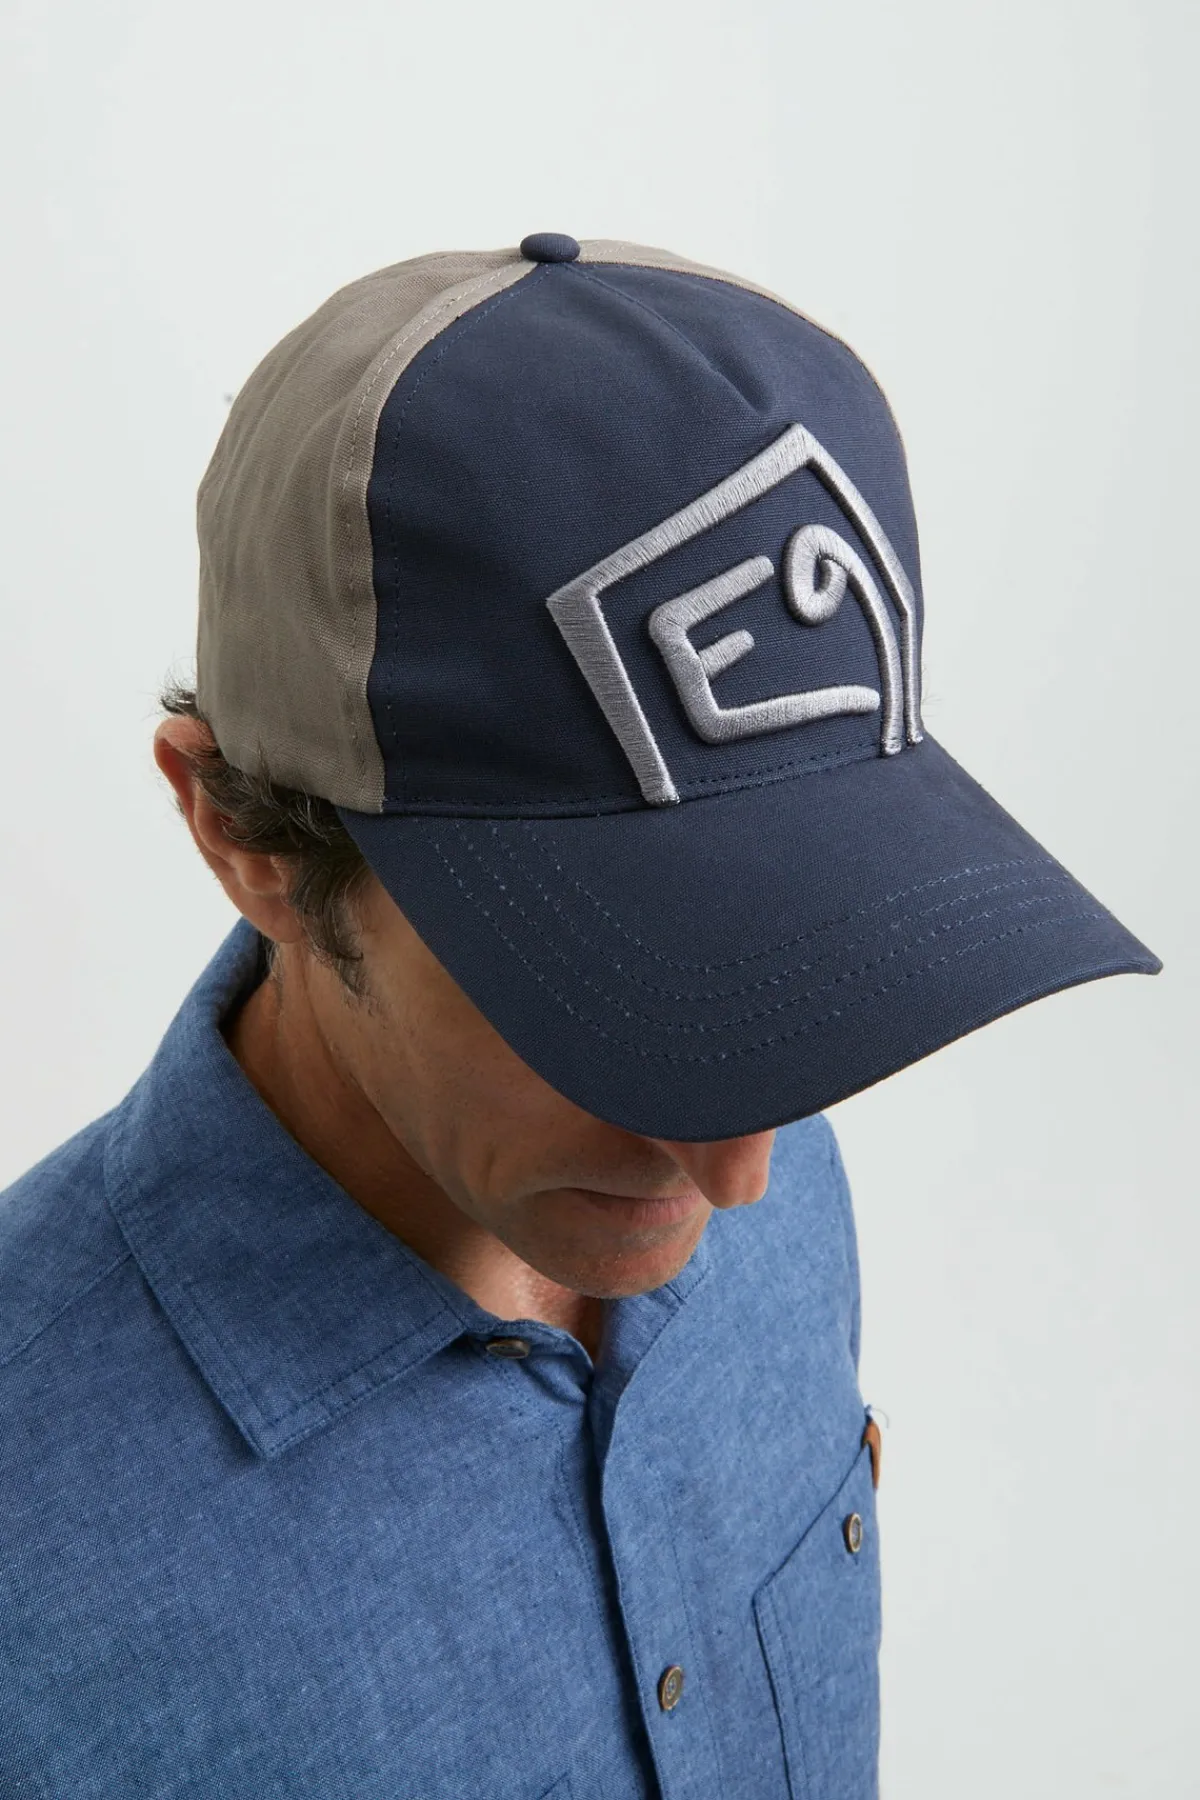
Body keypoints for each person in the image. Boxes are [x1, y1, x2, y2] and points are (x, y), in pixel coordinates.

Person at [0, 233, 1161, 1798]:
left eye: (780, 956)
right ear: (246, 838)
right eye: (600, 991)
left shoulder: (767, 1173)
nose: (743, 1169)